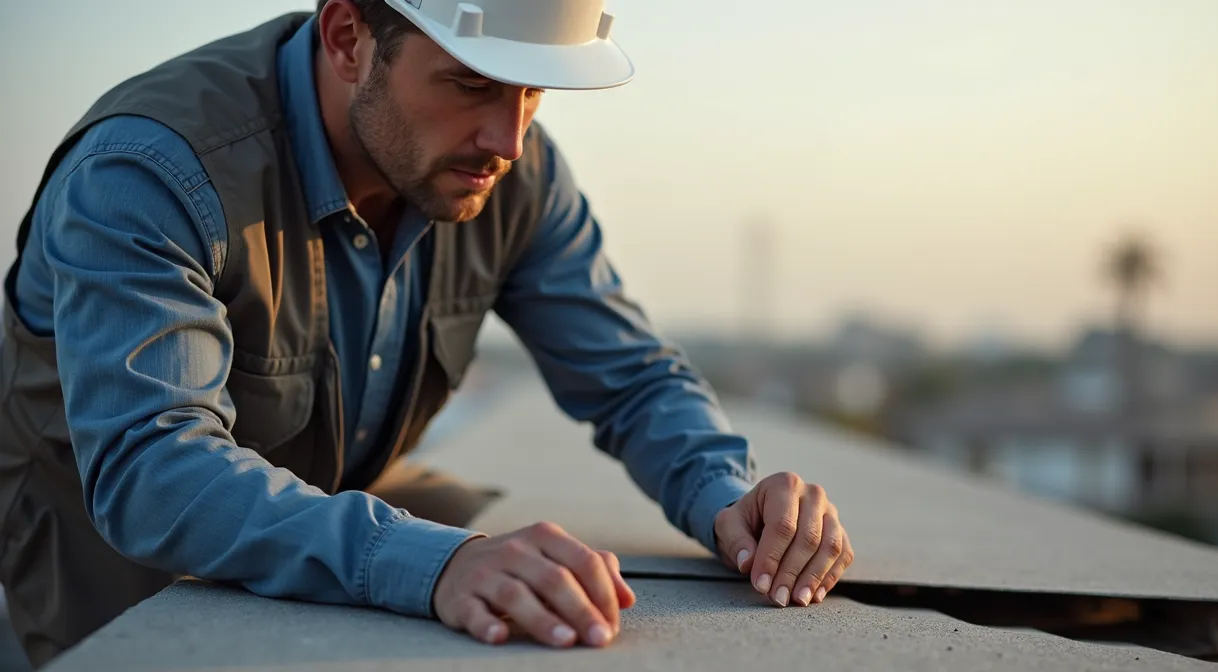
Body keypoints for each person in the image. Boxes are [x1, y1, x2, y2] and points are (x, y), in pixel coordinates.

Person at [0, 0, 855, 666]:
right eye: (473, 83)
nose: (510, 139)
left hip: (333, 496)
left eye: (533, 90)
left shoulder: (505, 167)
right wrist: (434, 566)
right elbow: (154, 468)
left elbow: (630, 376)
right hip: (109, 566)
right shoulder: (149, 170)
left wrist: (728, 498)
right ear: (348, 38)